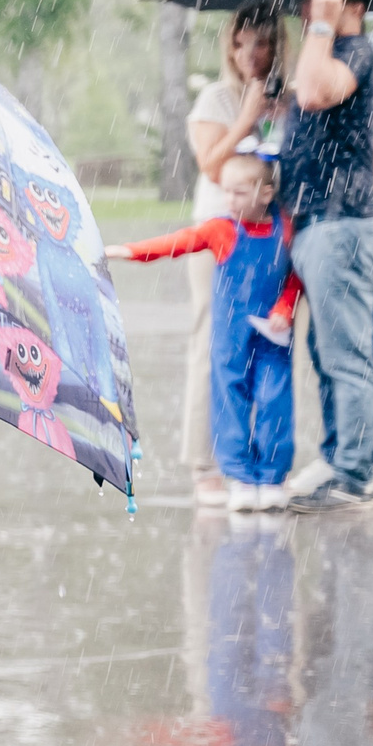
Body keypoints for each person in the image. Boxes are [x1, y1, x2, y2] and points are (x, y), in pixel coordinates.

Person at [108, 154, 295, 508]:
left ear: (266, 193)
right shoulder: (221, 229)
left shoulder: (284, 227)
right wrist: (127, 251)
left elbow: (293, 276)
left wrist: (285, 307)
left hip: (274, 338)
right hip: (232, 339)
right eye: (226, 193)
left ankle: (272, 478)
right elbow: (176, 243)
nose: (230, 201)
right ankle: (240, 478)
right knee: (231, 401)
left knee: (275, 401)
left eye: (239, 193)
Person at [278, 0, 373, 512]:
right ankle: (344, 458)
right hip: (319, 222)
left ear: (352, 4)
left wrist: (321, 22)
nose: (305, 7)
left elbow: (317, 92)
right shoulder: (332, 51)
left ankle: (357, 474)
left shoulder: (357, 50)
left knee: (348, 355)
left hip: (341, 223)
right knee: (330, 352)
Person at [182, 11, 285, 503]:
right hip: (221, 237)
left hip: (269, 242)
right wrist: (245, 117)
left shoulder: (287, 101)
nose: (250, 55)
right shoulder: (215, 99)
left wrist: (277, 115)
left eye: (261, 44)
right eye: (241, 44)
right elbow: (209, 164)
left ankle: (260, 460)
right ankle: (205, 461)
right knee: (214, 345)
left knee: (269, 350)